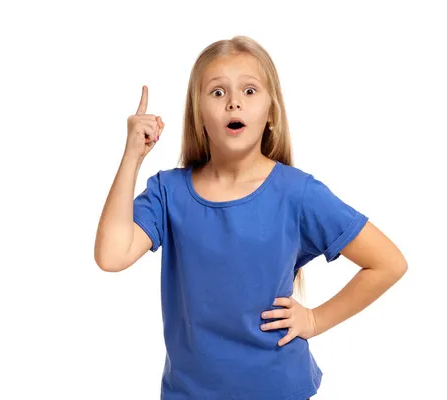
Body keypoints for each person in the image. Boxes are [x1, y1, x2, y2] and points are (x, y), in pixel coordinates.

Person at [95, 35, 408, 400]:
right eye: (217, 93)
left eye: (249, 91)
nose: (233, 103)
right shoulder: (169, 192)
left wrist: (315, 319)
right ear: (198, 115)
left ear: (271, 111)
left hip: (279, 389)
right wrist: (132, 156)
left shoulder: (298, 193)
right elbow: (111, 256)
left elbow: (388, 263)